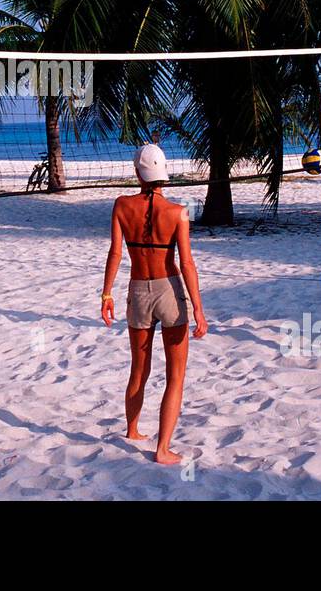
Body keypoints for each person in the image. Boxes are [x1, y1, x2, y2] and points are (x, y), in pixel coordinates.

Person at [101, 143, 206, 465]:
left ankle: (132, 430)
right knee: (175, 376)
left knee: (139, 369)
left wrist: (106, 294)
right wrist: (199, 309)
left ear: (138, 174)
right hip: (170, 290)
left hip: (138, 290)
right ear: (163, 176)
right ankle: (162, 449)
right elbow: (187, 263)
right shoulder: (177, 212)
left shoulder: (121, 205)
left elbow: (116, 253)